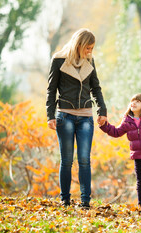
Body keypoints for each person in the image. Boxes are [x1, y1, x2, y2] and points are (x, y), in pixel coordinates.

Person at [46, 28, 107, 208]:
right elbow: (51, 89)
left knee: (84, 159)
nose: (90, 51)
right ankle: (65, 199)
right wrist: (50, 115)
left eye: (92, 48)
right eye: (87, 48)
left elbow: (96, 88)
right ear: (78, 45)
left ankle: (85, 201)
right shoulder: (58, 60)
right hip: (65, 115)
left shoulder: (90, 61)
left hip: (86, 117)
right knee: (66, 160)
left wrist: (102, 110)